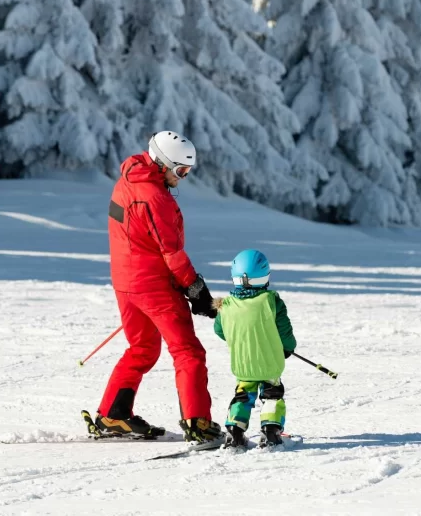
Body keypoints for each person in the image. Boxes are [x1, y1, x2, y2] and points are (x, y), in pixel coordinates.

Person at [88, 130, 223, 444]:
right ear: (162, 163)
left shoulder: (126, 181)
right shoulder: (155, 197)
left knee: (142, 349)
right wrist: (195, 289)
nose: (183, 177)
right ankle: (198, 423)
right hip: (153, 286)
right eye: (180, 171)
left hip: (126, 283)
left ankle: (113, 415)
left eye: (187, 171)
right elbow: (171, 252)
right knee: (188, 351)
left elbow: (130, 233)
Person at [211, 249, 296, 448]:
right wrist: (288, 348)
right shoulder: (271, 301)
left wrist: (241, 339)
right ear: (265, 276)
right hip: (269, 363)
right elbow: (284, 331)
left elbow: (220, 330)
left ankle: (235, 431)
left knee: (243, 395)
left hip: (243, 363)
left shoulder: (226, 306)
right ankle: (271, 431)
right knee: (272, 395)